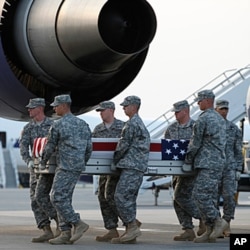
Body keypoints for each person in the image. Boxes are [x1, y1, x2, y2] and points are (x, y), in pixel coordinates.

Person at [40, 94, 92, 245]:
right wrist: (82, 162)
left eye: (56, 105)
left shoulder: (58, 124)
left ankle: (78, 223)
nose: (54, 108)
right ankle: (65, 232)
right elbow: (89, 148)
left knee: (56, 197)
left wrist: (42, 161)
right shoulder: (83, 124)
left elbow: (49, 147)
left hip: (65, 166)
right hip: (77, 166)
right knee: (65, 198)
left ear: (64, 106)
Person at [185, 89, 228, 243]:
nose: (198, 103)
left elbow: (195, 143)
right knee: (209, 196)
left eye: (200, 100)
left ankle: (217, 221)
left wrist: (188, 159)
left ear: (208, 101)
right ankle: (210, 231)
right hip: (217, 162)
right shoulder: (219, 119)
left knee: (199, 194)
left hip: (207, 163)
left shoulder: (203, 119)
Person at [110, 95, 150, 244]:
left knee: (120, 197)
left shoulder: (132, 124)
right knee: (129, 199)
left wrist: (115, 160)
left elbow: (123, 146)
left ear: (133, 107)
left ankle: (132, 225)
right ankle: (130, 231)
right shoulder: (138, 123)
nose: (123, 108)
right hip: (136, 166)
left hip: (132, 166)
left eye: (126, 106)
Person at [19, 98, 59, 242]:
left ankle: (60, 222)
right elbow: (23, 148)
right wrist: (28, 161)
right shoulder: (28, 128)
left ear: (40, 108)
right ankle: (46, 229)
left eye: (32, 108)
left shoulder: (53, 125)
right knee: (35, 199)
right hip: (36, 169)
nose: (29, 110)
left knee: (53, 197)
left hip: (52, 167)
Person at [164, 100, 205, 241]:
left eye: (177, 111)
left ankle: (204, 217)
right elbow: (167, 147)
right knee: (177, 201)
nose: (175, 114)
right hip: (176, 170)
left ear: (185, 111)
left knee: (182, 197)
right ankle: (188, 229)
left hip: (191, 170)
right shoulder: (171, 128)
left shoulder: (196, 127)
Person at [92, 101, 125, 242]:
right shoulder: (98, 129)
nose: (100, 113)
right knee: (102, 197)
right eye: (99, 111)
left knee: (114, 197)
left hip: (118, 169)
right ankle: (111, 229)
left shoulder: (123, 127)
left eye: (103, 110)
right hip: (103, 169)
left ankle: (130, 222)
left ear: (111, 110)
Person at [215, 99, 243, 237]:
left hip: (229, 168)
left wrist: (238, 168)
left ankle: (227, 224)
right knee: (213, 198)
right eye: (221, 109)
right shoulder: (211, 127)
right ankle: (217, 225)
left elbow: (238, 150)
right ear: (216, 110)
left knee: (229, 197)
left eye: (226, 109)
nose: (224, 111)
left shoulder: (234, 129)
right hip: (213, 168)